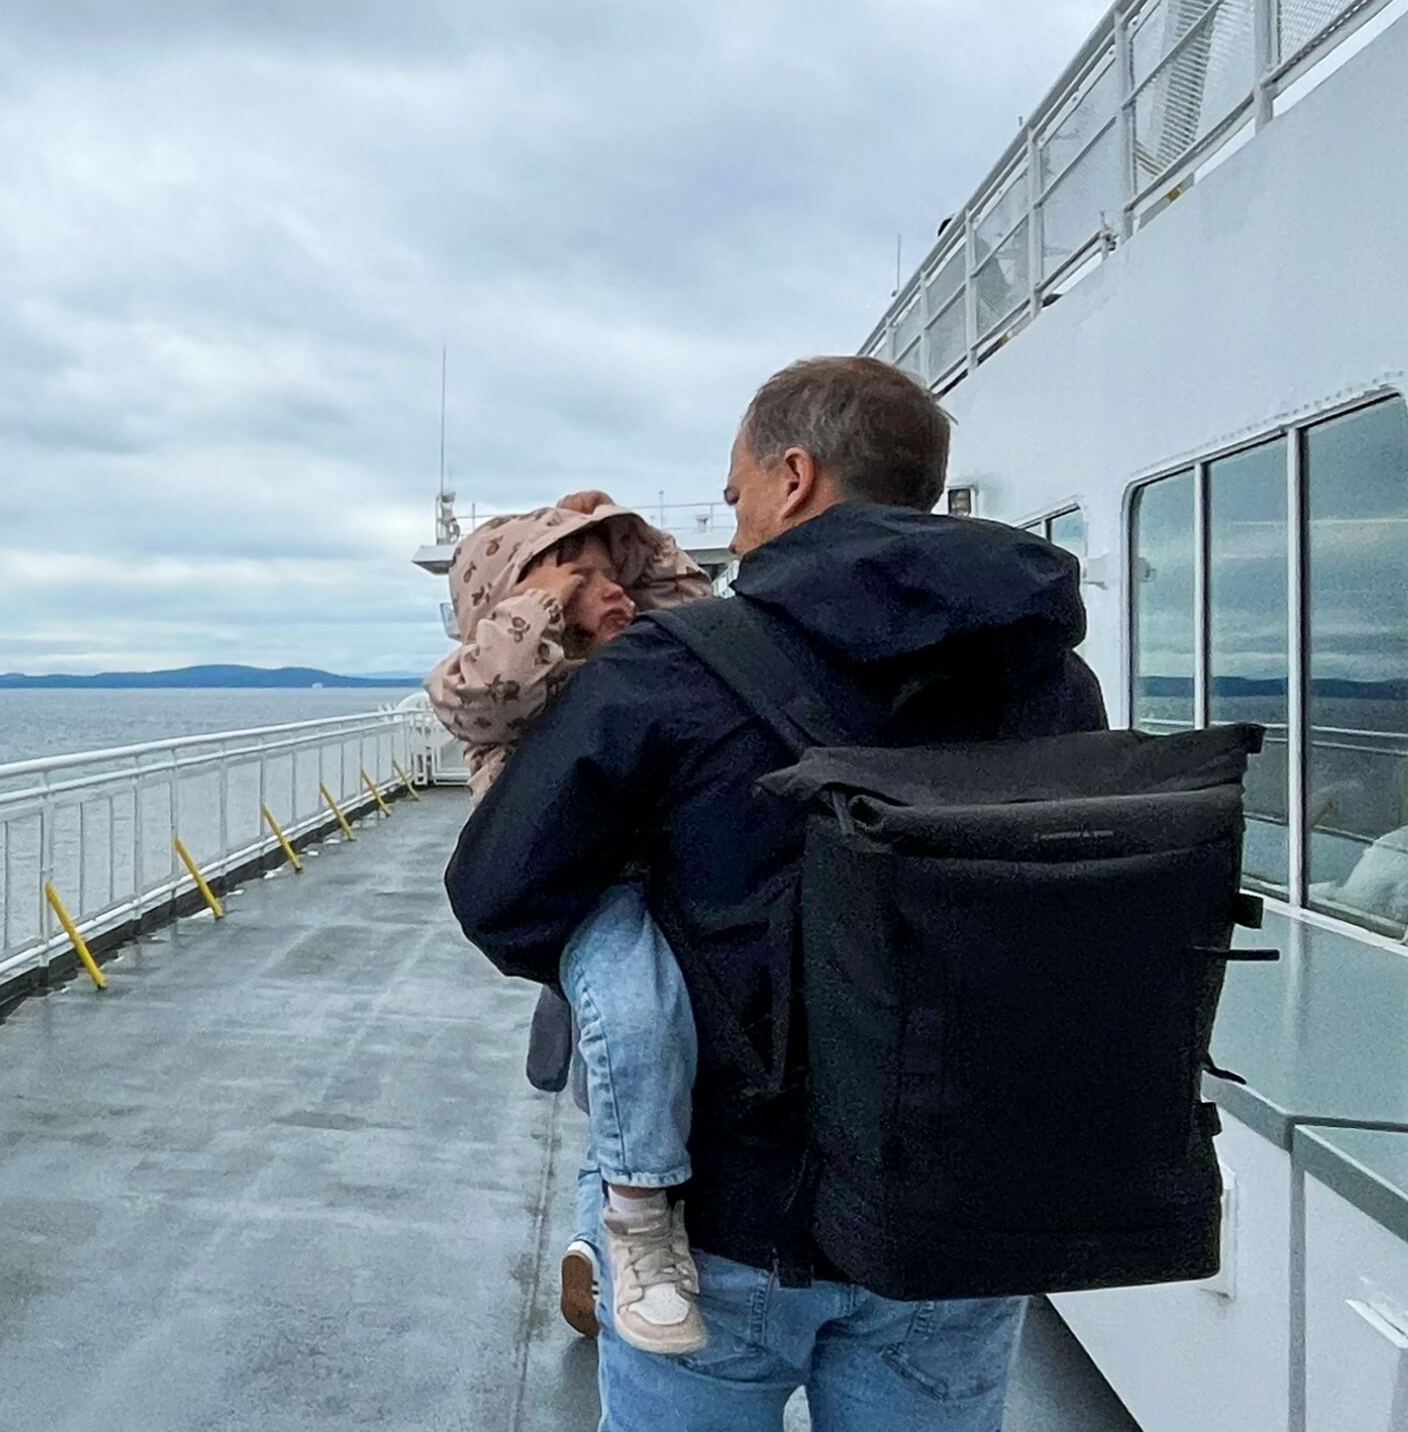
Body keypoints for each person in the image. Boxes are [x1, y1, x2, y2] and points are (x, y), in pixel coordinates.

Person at [445, 355, 1105, 1430]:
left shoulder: (673, 668)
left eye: (738, 486)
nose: (731, 511)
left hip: (726, 1217)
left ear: (794, 477)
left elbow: (500, 896)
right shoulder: (1048, 674)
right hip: (959, 1202)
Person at [428, 494, 712, 1353]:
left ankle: (610, 1225)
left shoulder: (646, 656)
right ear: (528, 600)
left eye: (615, 574)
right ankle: (635, 1225)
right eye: (583, 580)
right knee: (631, 1012)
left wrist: (639, 548)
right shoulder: (492, 688)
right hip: (587, 884)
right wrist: (547, 593)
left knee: (642, 1051)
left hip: (671, 872)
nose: (614, 590)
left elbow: (712, 624)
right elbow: (494, 680)